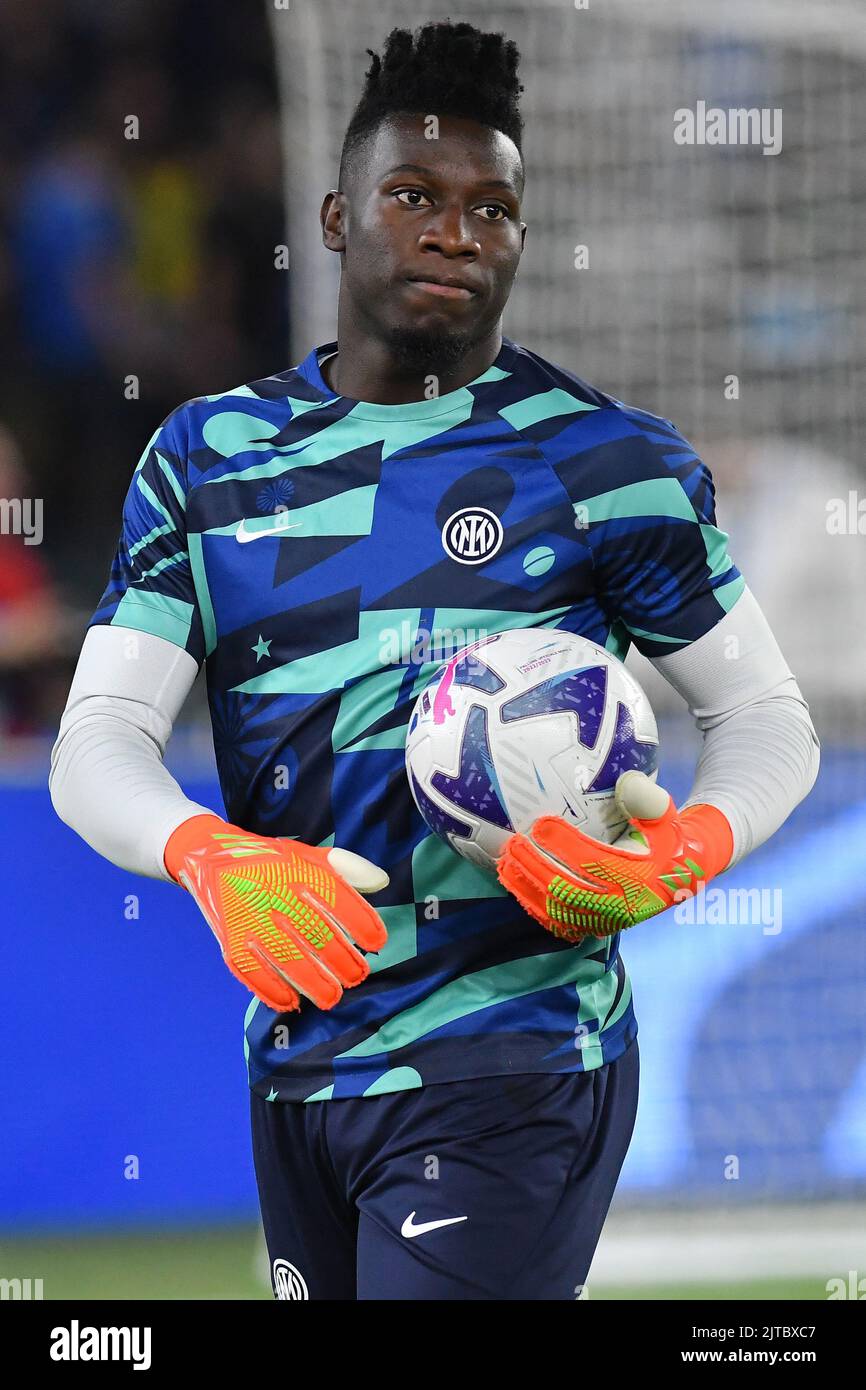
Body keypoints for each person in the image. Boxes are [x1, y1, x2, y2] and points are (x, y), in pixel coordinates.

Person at [49, 21, 819, 1301]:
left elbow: (765, 717)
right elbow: (96, 741)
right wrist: (208, 855)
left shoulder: (606, 465)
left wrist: (683, 851)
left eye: (494, 208)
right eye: (416, 196)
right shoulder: (208, 459)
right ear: (338, 215)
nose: (457, 232)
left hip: (513, 1060)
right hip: (301, 1057)